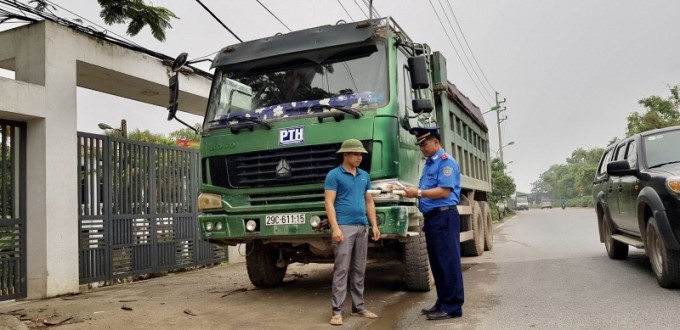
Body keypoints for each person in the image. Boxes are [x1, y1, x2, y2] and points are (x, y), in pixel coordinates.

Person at [403, 126, 464, 321]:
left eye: (424, 143)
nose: (422, 148)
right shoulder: (430, 163)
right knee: (437, 263)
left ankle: (453, 306)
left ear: (436, 142)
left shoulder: (446, 162)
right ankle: (442, 302)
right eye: (419, 145)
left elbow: (444, 192)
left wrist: (418, 193)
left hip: (444, 216)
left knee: (448, 262)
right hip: (432, 218)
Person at [324, 138, 381, 326]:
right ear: (345, 154)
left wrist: (374, 225)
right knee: (342, 269)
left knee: (359, 269)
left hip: (362, 226)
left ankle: (358, 307)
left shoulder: (364, 175)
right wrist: (335, 227)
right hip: (344, 227)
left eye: (361, 154)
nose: (360, 157)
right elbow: (329, 203)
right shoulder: (334, 175)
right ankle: (337, 311)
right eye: (356, 154)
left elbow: (369, 201)